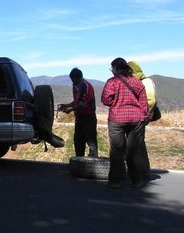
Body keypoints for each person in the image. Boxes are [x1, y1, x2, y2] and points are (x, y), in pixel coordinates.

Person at [101, 57, 149, 189]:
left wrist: (115, 102)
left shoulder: (112, 82)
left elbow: (105, 100)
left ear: (116, 68)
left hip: (117, 119)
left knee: (117, 150)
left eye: (112, 68)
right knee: (134, 150)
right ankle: (137, 180)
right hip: (136, 120)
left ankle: (116, 181)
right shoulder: (138, 82)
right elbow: (144, 104)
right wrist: (142, 117)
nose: (111, 70)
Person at [58, 68, 98, 157]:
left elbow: (83, 104)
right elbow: (76, 101)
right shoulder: (76, 86)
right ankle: (80, 161)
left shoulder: (86, 86)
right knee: (78, 142)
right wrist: (66, 105)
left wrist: (70, 109)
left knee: (91, 142)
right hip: (79, 118)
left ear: (78, 78)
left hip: (88, 118)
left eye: (73, 80)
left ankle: (94, 163)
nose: (72, 82)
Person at [128, 60, 156, 181]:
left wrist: (143, 115)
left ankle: (143, 172)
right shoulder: (140, 81)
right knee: (138, 144)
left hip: (141, 117)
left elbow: (151, 100)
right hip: (138, 117)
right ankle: (139, 171)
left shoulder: (146, 82)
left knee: (138, 145)